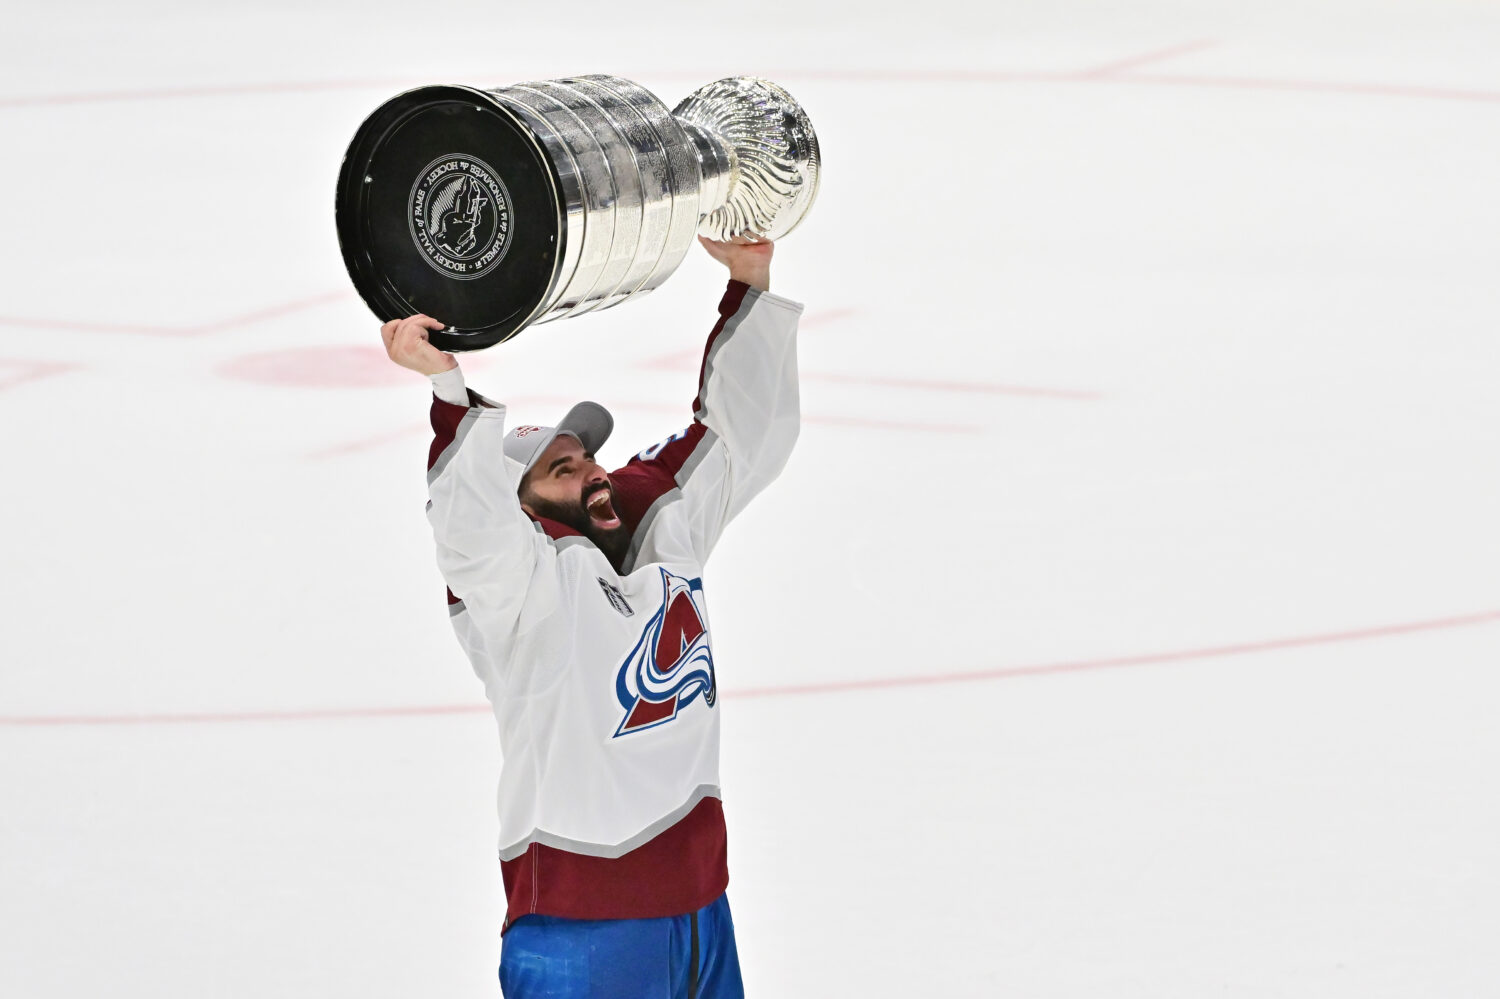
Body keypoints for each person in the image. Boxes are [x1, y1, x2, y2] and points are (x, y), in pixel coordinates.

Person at [380, 236, 803, 999]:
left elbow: (742, 439)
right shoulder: (522, 589)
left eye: (590, 457)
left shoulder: (659, 531)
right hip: (586, 930)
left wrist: (749, 277)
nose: (594, 472)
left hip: (704, 909)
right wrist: (448, 389)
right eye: (562, 469)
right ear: (525, 508)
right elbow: (472, 533)